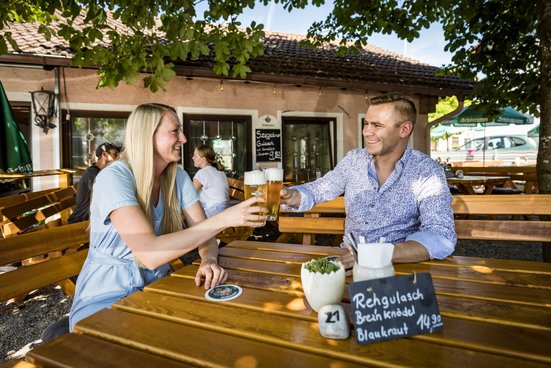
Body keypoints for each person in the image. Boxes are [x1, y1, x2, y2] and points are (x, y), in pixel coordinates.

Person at [68, 103, 267, 332]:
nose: (183, 138)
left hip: (157, 291)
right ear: (147, 136)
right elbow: (149, 254)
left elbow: (206, 236)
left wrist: (209, 260)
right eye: (175, 131)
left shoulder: (177, 176)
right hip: (105, 298)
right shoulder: (114, 177)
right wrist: (225, 219)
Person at [280, 93, 456, 268]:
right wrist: (291, 195)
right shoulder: (354, 160)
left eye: (377, 125)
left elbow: (440, 235)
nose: (366, 132)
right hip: (349, 263)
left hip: (399, 269)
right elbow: (321, 188)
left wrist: (373, 255)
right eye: (366, 124)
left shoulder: (426, 171)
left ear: (404, 129)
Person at [67, 142, 121, 223]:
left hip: (91, 219)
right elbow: (106, 196)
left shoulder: (101, 172)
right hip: (81, 220)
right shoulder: (92, 174)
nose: (118, 158)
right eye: (115, 154)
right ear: (105, 154)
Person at [192, 145, 229, 218]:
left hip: (213, 212)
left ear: (203, 159)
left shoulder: (202, 173)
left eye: (195, 156)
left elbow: (190, 194)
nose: (193, 158)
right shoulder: (219, 171)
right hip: (223, 209)